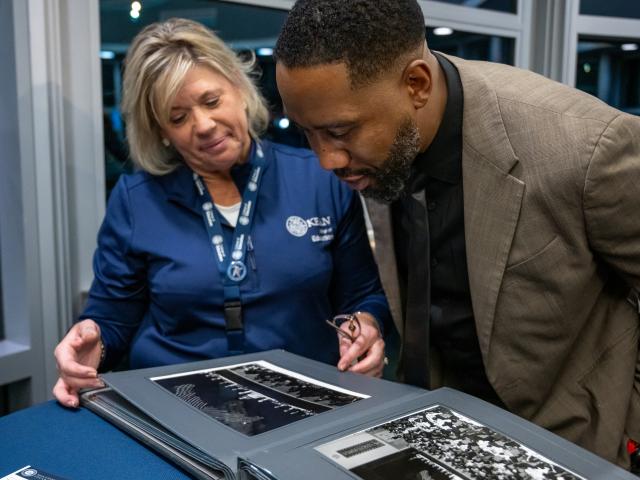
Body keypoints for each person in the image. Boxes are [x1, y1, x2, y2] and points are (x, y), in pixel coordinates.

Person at [274, 0, 640, 470]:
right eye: (306, 133)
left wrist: (625, 423)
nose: (328, 160)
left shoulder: (587, 148)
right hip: (430, 435)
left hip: (566, 445)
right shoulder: (377, 149)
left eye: (339, 131)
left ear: (417, 85)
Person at [53, 18, 390, 409]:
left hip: (305, 399)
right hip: (178, 407)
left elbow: (363, 294)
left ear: (238, 88)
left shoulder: (318, 177)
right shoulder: (136, 199)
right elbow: (112, 318)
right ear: (161, 130)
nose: (204, 125)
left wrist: (367, 324)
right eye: (178, 118)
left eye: (211, 101)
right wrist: (92, 339)